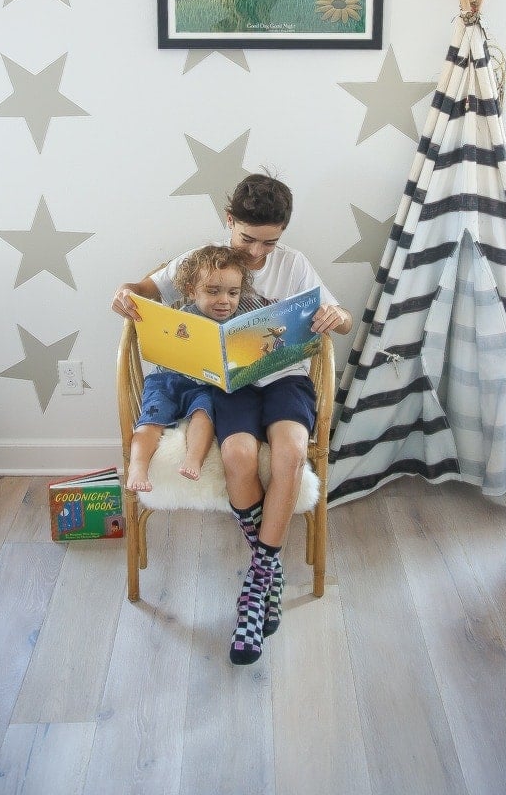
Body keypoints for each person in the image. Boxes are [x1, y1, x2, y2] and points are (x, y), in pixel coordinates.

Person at [112, 173, 353, 666]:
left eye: (270, 242)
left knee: (288, 453)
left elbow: (341, 316)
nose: (259, 253)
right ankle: (270, 567)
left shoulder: (294, 265)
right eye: (248, 239)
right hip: (230, 384)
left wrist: (336, 318)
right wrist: (125, 293)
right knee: (239, 452)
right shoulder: (202, 258)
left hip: (285, 379)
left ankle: (258, 579)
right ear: (229, 222)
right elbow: (146, 288)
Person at [125, 245, 257, 493]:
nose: (224, 301)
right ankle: (137, 467)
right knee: (150, 422)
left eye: (233, 293)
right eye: (213, 291)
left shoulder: (239, 323)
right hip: (167, 381)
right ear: (191, 291)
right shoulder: (182, 317)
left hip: (204, 387)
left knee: (204, 415)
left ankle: (193, 460)